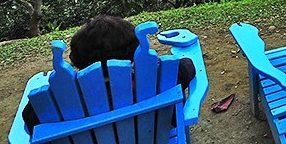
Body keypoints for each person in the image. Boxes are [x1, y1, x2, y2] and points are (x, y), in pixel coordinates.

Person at [23, 15, 195, 131]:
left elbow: (30, 119)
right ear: (133, 51)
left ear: (78, 59)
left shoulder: (66, 98)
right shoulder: (156, 78)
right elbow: (187, 67)